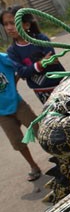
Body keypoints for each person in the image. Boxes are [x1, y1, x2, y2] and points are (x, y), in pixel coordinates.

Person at [1, 7, 65, 104]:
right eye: (5, 24)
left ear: (26, 25)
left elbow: (52, 59)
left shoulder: (41, 39)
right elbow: (22, 72)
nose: (9, 28)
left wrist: (31, 69)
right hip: (42, 92)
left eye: (13, 23)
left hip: (61, 84)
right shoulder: (12, 51)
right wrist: (41, 64)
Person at [0, 52, 42, 182]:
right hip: (2, 114)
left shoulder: (2, 58)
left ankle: (60, 156)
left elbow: (20, 69)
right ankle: (33, 166)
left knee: (38, 130)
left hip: (17, 104)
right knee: (17, 141)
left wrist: (13, 84)